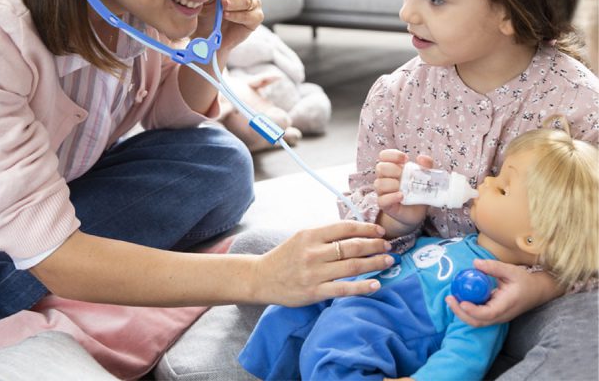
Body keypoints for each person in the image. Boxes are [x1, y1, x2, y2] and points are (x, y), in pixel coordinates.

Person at [0, 0, 394, 377]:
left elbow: (165, 118)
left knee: (217, 160)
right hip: (25, 240)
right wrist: (260, 278)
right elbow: (53, 255)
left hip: (48, 193)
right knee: (55, 256)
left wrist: (217, 47)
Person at [175, 0, 598, 381]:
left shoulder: (579, 105)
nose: (407, 12)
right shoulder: (398, 96)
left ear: (512, 8)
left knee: (588, 332)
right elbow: (360, 210)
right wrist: (395, 219)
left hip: (521, 298)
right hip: (409, 284)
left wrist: (539, 287)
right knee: (256, 251)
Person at [238, 121, 598, 380]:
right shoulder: (459, 242)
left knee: (332, 355)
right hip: (361, 301)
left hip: (374, 335)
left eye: (502, 188)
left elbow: (467, 354)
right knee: (287, 308)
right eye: (496, 174)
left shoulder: (489, 287)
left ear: (531, 240)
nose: (486, 181)